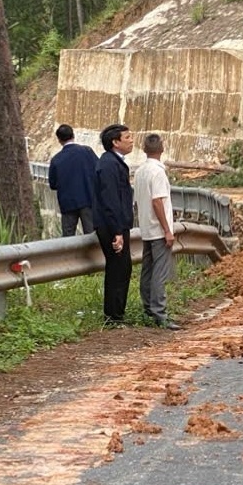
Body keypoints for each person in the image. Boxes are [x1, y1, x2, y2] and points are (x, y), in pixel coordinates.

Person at [134, 133, 180, 330]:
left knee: (148, 270)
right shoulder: (158, 172)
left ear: (145, 149)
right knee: (159, 272)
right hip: (158, 229)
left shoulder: (140, 171)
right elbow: (158, 201)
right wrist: (167, 230)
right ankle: (159, 312)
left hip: (146, 227)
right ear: (161, 149)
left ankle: (148, 308)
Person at [92, 123, 134, 327]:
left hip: (116, 224)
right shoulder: (108, 164)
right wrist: (117, 231)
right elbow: (111, 200)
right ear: (115, 142)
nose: (131, 140)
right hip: (111, 226)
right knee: (118, 269)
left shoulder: (113, 162)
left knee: (122, 268)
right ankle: (113, 317)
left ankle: (117, 314)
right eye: (127, 137)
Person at [47, 124, 97, 236]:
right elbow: (98, 171)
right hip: (88, 200)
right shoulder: (87, 152)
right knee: (91, 235)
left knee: (68, 238)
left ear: (59, 140)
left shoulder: (56, 160)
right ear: (73, 135)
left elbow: (53, 184)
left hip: (67, 203)